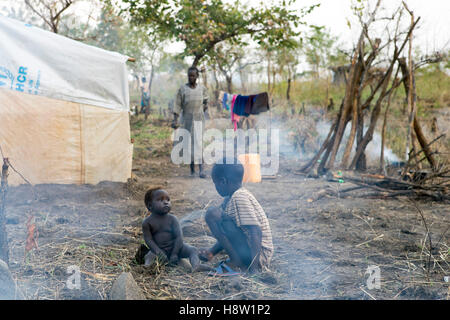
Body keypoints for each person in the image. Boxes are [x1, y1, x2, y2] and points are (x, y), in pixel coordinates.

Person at [199, 159, 273, 273]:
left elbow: (255, 231)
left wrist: (254, 268)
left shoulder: (240, 198)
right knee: (216, 216)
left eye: (215, 183)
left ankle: (237, 262)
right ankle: (238, 261)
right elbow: (229, 233)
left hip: (259, 256)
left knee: (212, 214)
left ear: (223, 181)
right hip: (250, 251)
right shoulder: (230, 199)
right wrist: (212, 252)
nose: (216, 187)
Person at [141, 187, 210, 272]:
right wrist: (159, 252)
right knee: (149, 256)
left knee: (193, 250)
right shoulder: (147, 222)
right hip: (159, 249)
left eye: (168, 200)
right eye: (160, 200)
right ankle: (147, 267)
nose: (166, 202)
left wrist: (175, 253)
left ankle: (196, 265)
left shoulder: (173, 219)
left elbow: (179, 237)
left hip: (176, 248)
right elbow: (149, 240)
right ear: (150, 206)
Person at [172, 66, 208, 178]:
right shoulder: (182, 89)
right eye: (189, 76)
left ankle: (201, 170)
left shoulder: (202, 89)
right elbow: (177, 105)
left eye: (193, 75)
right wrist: (175, 119)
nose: (191, 78)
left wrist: (203, 109)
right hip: (187, 120)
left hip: (199, 119)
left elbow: (206, 101)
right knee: (189, 144)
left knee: (199, 143)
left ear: (197, 76)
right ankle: (192, 171)